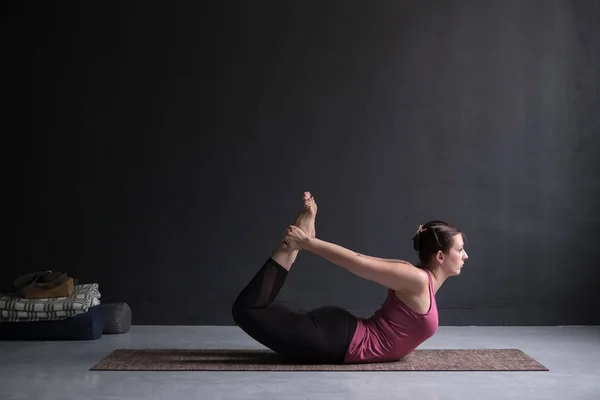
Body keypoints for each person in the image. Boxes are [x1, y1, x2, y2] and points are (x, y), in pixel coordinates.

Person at [231, 191, 469, 364]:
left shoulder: (419, 280)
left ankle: (296, 242)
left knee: (258, 311)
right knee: (246, 310)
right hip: (335, 341)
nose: (465, 256)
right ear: (440, 256)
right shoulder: (416, 279)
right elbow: (357, 261)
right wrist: (309, 243)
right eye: (459, 250)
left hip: (340, 336)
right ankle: (294, 243)